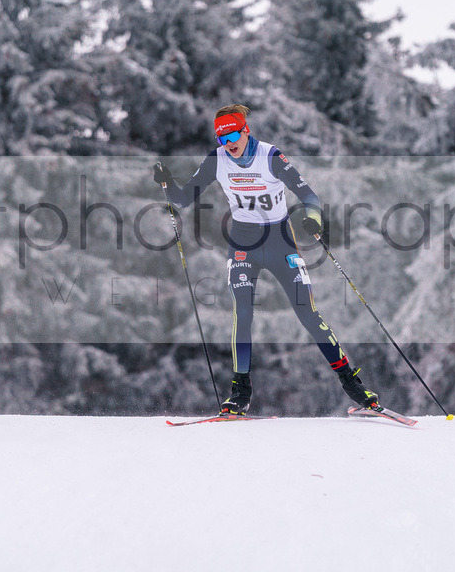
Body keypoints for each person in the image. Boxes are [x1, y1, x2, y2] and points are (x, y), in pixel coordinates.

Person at [152, 104, 382, 416]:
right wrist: (167, 183)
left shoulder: (270, 156)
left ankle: (354, 386)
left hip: (280, 241)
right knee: (243, 312)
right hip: (244, 242)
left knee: (307, 313)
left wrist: (312, 218)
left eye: (233, 134)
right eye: (222, 139)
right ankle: (240, 393)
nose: (229, 143)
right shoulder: (217, 160)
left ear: (245, 130)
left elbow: (309, 197)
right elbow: (182, 199)